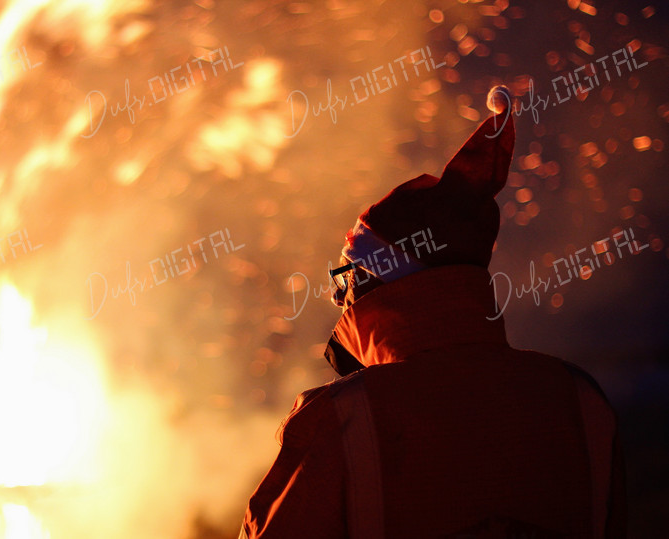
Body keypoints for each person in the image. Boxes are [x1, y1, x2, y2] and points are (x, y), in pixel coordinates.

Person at [239, 86, 626, 538]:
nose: (338, 299)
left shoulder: (342, 420)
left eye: (346, 277)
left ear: (377, 282)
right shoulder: (583, 403)